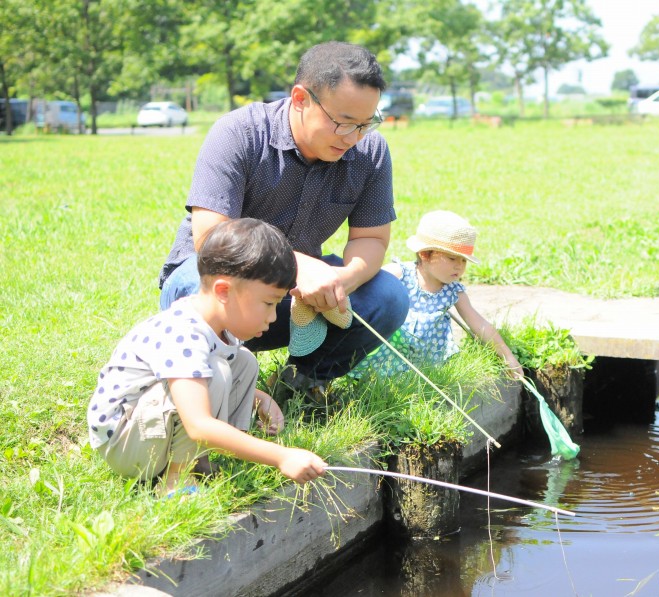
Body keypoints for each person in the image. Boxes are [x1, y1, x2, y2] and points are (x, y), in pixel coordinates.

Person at [157, 41, 408, 405]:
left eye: (365, 124)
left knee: (388, 297)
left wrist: (340, 282)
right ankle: (216, 388)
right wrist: (297, 267)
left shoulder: (371, 152)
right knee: (191, 286)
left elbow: (371, 239)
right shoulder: (239, 133)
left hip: (294, 302)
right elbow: (211, 237)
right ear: (301, 98)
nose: (353, 138)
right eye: (342, 123)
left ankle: (299, 382)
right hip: (216, 285)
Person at [89, 219, 326, 497]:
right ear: (224, 291)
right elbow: (198, 424)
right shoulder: (184, 333)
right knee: (215, 370)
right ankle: (177, 479)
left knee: (243, 362)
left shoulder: (221, 328)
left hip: (151, 430)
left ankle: (209, 458)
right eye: (268, 303)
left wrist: (259, 398)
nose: (273, 317)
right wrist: (282, 456)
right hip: (126, 443)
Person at [350, 210, 524, 379]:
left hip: (428, 365)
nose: (459, 266)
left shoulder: (453, 291)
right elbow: (365, 288)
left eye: (464, 260)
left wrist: (508, 357)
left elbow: (480, 324)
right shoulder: (400, 274)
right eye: (452, 258)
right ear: (425, 254)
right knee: (378, 382)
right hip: (390, 356)